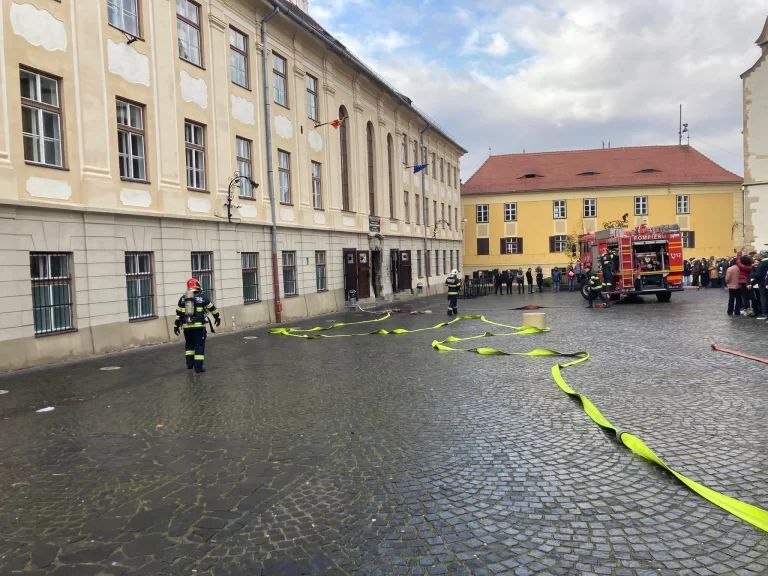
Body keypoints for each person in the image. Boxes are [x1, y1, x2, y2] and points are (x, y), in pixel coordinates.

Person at [174, 278, 221, 373]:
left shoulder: (182, 299)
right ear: (196, 286)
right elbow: (212, 308)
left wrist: (176, 325)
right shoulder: (202, 297)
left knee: (189, 344)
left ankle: (190, 364)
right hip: (198, 326)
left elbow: (178, 313)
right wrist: (217, 318)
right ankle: (198, 367)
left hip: (186, 327)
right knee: (199, 345)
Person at [736, 249, 755, 316]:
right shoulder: (751, 267)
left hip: (742, 282)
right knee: (752, 296)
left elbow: (738, 261)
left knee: (745, 297)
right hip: (749, 282)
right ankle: (754, 308)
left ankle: (747, 309)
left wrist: (739, 252)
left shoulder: (742, 266)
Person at [755, 251, 768, 320]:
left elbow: (757, 275)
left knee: (763, 299)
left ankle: (764, 313)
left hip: (762, 284)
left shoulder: (761, 264)